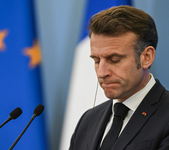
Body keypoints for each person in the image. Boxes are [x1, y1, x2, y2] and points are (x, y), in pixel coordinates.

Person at [69, 5, 169, 150]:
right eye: (97, 61)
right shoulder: (87, 120)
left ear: (146, 57)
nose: (102, 72)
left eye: (114, 60)